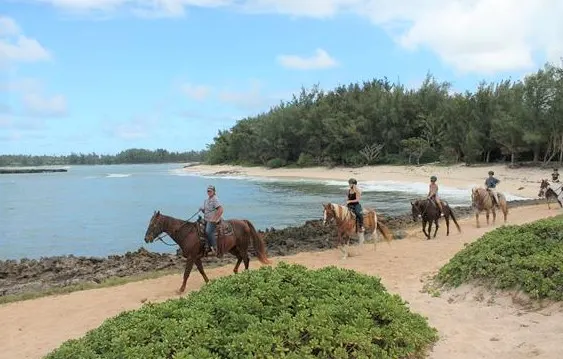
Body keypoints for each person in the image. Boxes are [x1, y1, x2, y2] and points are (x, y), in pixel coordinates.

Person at [199, 185, 223, 256]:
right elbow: (206, 211)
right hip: (206, 219)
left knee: (208, 231)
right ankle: (206, 246)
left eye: (210, 191)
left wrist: (215, 219)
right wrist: (202, 210)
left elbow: (220, 209)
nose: (208, 192)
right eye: (208, 191)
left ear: (214, 192)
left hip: (212, 220)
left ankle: (214, 248)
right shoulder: (206, 200)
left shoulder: (215, 199)